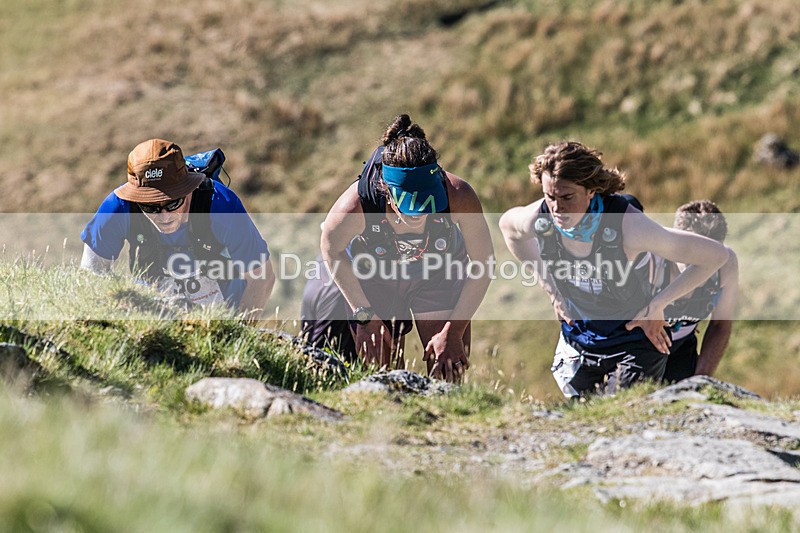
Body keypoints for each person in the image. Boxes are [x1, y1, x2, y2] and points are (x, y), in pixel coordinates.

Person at [499, 141, 729, 398]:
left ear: (591, 191)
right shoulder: (539, 218)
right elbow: (508, 229)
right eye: (549, 196)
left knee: (622, 411)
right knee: (584, 417)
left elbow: (715, 256)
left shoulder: (629, 226)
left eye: (567, 197)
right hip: (581, 339)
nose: (556, 208)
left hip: (635, 342)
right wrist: (552, 290)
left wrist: (658, 305)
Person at [320, 114, 494, 382]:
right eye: (410, 204)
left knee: (448, 368)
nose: (420, 213)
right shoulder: (355, 206)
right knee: (382, 373)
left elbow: (483, 261)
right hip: (375, 277)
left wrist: (454, 330)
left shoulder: (458, 195)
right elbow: (331, 249)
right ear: (387, 191)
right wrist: (364, 315)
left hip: (438, 274)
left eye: (428, 201)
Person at [81, 138, 275, 318]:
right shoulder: (118, 208)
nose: (164, 216)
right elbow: (91, 275)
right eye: (150, 207)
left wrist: (240, 332)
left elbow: (262, 278)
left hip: (225, 311)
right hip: (153, 313)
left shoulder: (221, 205)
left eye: (173, 203)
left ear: (189, 189)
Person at [657, 200, 739, 382]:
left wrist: (700, 379)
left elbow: (720, 326)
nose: (702, 272)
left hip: (681, 350)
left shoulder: (727, 264)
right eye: (693, 262)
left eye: (713, 260)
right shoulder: (652, 261)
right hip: (638, 346)